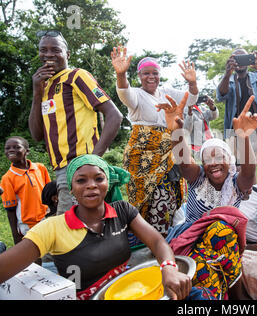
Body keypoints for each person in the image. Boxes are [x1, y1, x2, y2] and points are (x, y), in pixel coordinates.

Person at [0, 154, 191, 300]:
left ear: (107, 182)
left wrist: (168, 268)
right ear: (71, 188)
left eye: (99, 179)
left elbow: (157, 241)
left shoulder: (122, 210)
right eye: (81, 180)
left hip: (131, 291)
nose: (91, 185)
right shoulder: (52, 227)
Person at [159, 93, 257, 300]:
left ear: (229, 161)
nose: (214, 162)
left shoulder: (235, 184)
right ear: (203, 164)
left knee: (223, 231)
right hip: (192, 241)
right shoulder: (198, 178)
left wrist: (244, 137)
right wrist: (177, 132)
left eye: (220, 156)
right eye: (207, 158)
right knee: (216, 243)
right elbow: (184, 162)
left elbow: (249, 174)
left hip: (225, 243)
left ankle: (235, 297)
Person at [29, 30, 123, 216]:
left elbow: (115, 115)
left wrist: (92, 161)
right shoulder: (45, 86)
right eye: (43, 50)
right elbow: (37, 135)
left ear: (67, 54)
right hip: (62, 169)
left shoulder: (76, 77)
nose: (48, 55)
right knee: (80, 228)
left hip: (80, 164)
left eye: (55, 50)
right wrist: (37, 92)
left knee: (72, 231)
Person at [111, 45, 198, 237]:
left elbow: (190, 99)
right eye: (145, 73)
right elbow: (124, 91)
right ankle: (150, 242)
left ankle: (172, 241)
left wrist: (192, 83)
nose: (151, 77)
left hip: (169, 153)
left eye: (155, 73)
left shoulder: (165, 91)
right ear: (139, 76)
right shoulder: (136, 95)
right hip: (143, 157)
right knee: (149, 200)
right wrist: (121, 74)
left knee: (171, 197)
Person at [216, 49, 257, 198]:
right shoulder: (228, 79)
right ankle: (250, 205)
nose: (240, 62)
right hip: (238, 133)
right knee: (244, 173)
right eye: (236, 59)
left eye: (243, 58)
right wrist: (227, 73)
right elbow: (221, 95)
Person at [1, 136, 51, 245]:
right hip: (27, 225)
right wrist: (15, 235)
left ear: (27, 151)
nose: (11, 150)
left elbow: (50, 193)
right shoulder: (7, 178)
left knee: (51, 252)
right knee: (35, 254)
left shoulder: (40, 168)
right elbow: (10, 209)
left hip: (47, 218)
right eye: (7, 148)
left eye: (16, 147)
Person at [183, 95, 219, 161]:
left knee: (214, 161)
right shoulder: (184, 110)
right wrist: (189, 113)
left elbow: (214, 116)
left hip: (209, 140)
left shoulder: (201, 108)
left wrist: (212, 107)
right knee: (203, 163)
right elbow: (187, 129)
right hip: (197, 144)